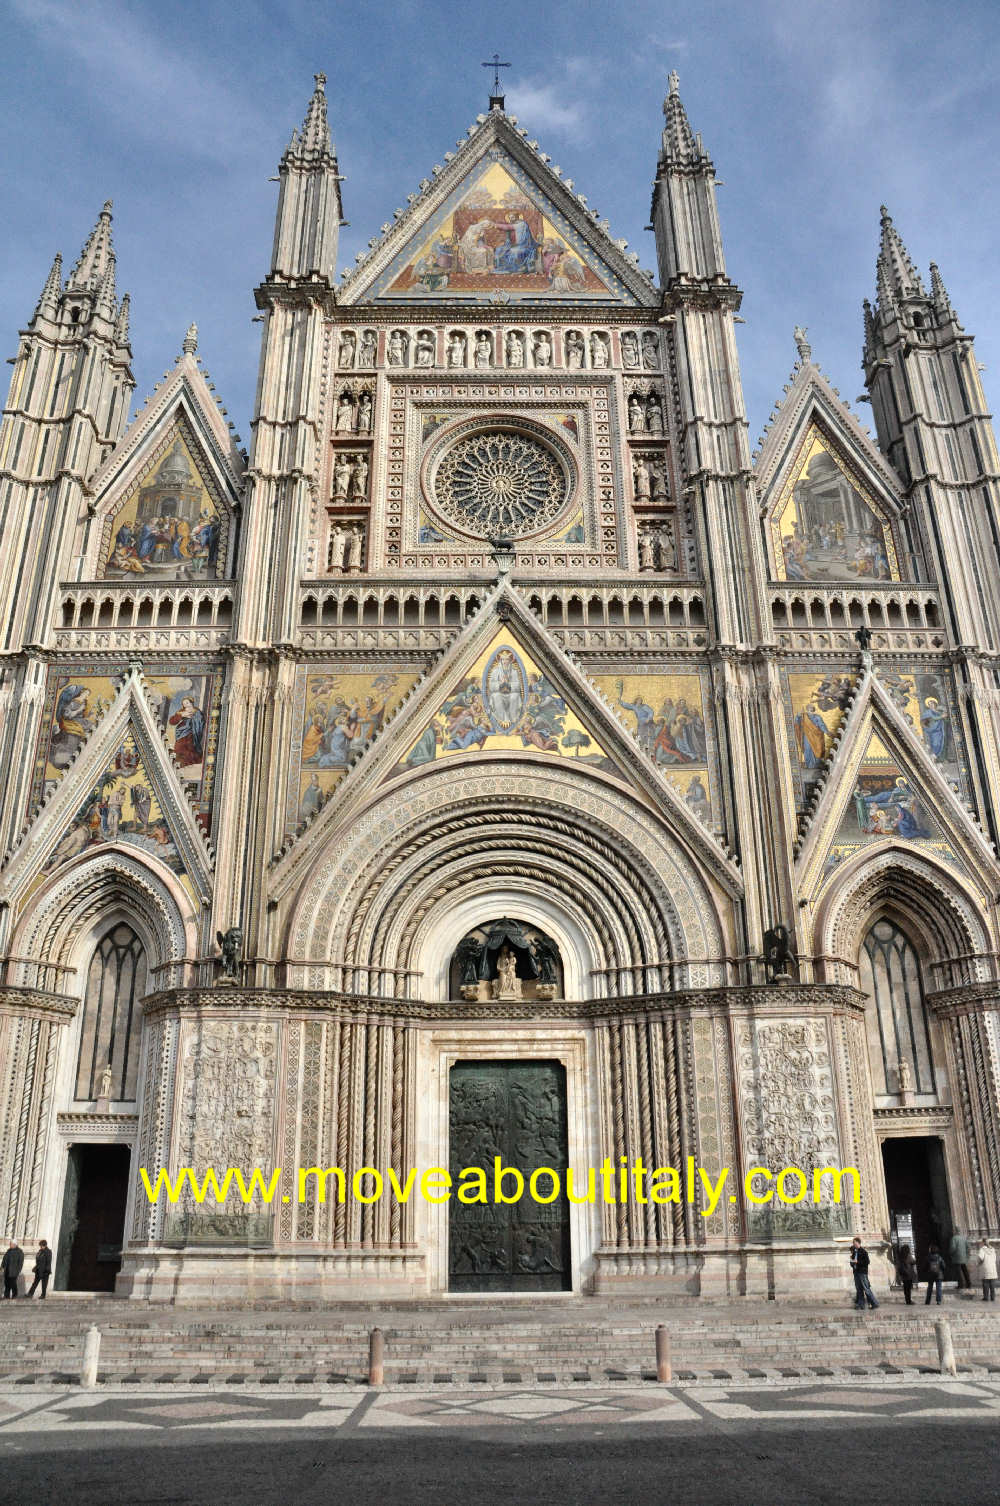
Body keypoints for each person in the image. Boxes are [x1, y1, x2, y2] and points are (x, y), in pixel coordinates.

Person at [850, 1236, 879, 1310]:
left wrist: (858, 1262)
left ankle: (874, 1303)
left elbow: (867, 1262)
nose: (853, 1244)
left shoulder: (863, 1251)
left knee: (866, 1288)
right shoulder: (854, 1252)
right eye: (853, 1243)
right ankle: (861, 1305)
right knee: (859, 1289)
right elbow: (852, 1262)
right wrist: (852, 1263)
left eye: (854, 1243)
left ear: (858, 1243)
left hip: (862, 1272)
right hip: (856, 1272)